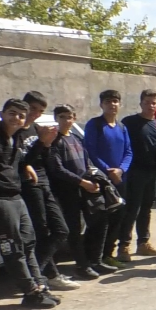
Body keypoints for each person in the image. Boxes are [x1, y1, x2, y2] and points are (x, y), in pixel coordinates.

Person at [0, 99, 59, 309]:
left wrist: (36, 152)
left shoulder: (17, 137)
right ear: (2, 113)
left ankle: (39, 285)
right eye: (12, 113)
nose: (16, 118)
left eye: (21, 115)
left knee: (28, 243)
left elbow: (20, 161)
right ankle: (30, 292)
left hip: (16, 196)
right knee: (12, 248)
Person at [48, 104, 117, 279]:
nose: (66, 120)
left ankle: (96, 260)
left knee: (100, 221)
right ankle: (82, 266)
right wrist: (82, 182)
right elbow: (57, 169)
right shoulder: (54, 141)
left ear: (75, 118)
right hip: (67, 191)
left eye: (69, 116)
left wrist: (94, 179)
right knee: (74, 229)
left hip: (87, 189)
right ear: (56, 118)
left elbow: (87, 163)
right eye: (62, 117)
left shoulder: (76, 138)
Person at [18, 91, 75, 291]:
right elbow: (17, 162)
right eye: (32, 109)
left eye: (40, 111)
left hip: (44, 184)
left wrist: (47, 144)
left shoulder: (36, 129)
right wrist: (29, 159)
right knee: (40, 233)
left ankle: (38, 273)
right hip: (27, 188)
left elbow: (45, 159)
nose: (35, 114)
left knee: (61, 230)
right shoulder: (15, 130)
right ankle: (44, 276)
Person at [84, 90, 133, 269]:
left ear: (119, 104)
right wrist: (108, 171)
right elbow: (91, 151)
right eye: (107, 101)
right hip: (102, 181)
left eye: (115, 101)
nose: (112, 104)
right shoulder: (94, 125)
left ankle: (107, 255)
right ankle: (92, 258)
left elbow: (129, 151)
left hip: (120, 180)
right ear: (101, 105)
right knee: (100, 220)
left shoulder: (122, 127)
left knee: (117, 217)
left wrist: (121, 170)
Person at [119, 89, 156, 260]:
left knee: (146, 208)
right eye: (147, 102)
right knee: (132, 209)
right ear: (141, 103)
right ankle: (123, 245)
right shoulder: (129, 122)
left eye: (154, 102)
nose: (151, 106)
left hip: (154, 173)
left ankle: (143, 243)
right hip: (135, 172)